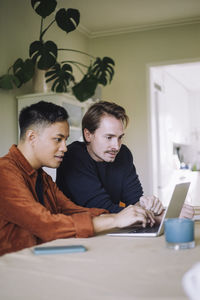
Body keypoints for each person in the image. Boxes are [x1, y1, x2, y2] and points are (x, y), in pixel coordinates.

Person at [0, 101, 158, 256]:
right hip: (12, 268)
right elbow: (45, 224)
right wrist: (115, 220)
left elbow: (74, 211)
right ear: (32, 137)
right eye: (58, 139)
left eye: (65, 140)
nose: (64, 148)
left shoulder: (42, 177)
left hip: (41, 258)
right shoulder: (4, 172)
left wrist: (133, 215)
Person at [56, 101, 193, 218]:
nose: (116, 146)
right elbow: (102, 210)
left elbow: (134, 200)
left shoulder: (123, 154)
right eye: (109, 137)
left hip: (109, 233)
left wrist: (148, 205)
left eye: (120, 137)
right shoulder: (73, 157)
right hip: (76, 234)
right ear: (88, 135)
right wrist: (164, 216)